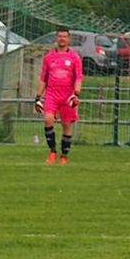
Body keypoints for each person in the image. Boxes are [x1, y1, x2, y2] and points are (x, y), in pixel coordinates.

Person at [36, 27, 84, 165]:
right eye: (60, 36)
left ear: (68, 39)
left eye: (64, 36)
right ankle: (52, 152)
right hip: (52, 94)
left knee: (67, 125)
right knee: (48, 119)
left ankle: (64, 155)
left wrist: (76, 94)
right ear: (56, 38)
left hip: (67, 96)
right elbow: (43, 78)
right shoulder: (49, 57)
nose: (62, 39)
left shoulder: (74, 57)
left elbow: (78, 78)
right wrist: (38, 97)